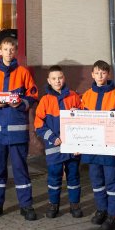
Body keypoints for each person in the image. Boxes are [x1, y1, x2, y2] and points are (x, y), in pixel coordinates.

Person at [0, 37, 39, 221]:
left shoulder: (23, 73)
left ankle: (26, 206)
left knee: (21, 170)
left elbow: (33, 95)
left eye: (12, 49)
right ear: (0, 51)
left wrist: (21, 103)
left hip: (17, 131)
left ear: (15, 51)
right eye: (5, 49)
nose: (8, 52)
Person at [80, 60, 115, 230]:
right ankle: (101, 210)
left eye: (103, 73)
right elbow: (80, 122)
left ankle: (113, 214)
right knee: (97, 182)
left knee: (112, 182)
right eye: (97, 73)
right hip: (92, 148)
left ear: (108, 75)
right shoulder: (86, 96)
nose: (100, 76)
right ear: (92, 74)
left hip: (110, 148)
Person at [34, 65, 84, 219]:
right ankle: (53, 205)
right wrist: (52, 138)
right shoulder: (45, 100)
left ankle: (74, 205)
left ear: (64, 78)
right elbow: (38, 124)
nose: (57, 81)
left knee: (74, 176)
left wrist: (79, 143)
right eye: (54, 79)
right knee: (54, 177)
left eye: (60, 78)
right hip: (54, 146)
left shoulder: (74, 97)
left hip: (72, 147)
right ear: (49, 81)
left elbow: (83, 120)